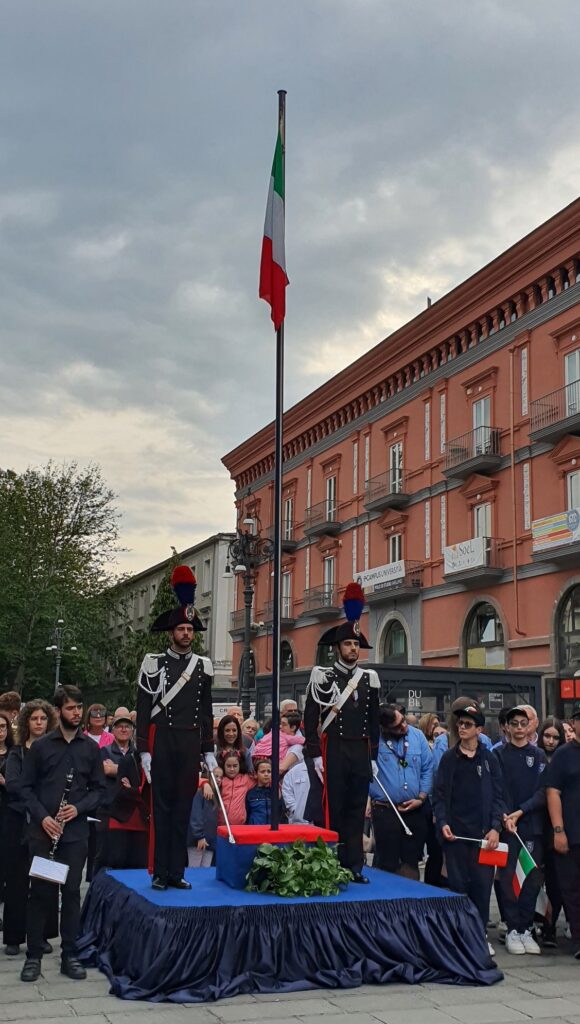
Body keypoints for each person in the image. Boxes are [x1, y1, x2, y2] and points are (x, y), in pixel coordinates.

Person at [19, 684, 106, 983]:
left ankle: (70, 953)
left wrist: (78, 809)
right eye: (70, 708)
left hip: (75, 834)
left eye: (79, 707)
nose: (77, 713)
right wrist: (43, 817)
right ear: (58, 711)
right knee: (40, 894)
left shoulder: (90, 749)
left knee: (71, 894)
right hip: (44, 833)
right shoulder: (42, 747)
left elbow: (98, 791)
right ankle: (33, 957)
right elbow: (25, 789)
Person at [136, 565, 215, 891]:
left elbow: (207, 710)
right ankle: (159, 872)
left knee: (182, 808)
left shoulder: (203, 666)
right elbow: (143, 708)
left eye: (190, 629)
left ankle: (177, 872)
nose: (186, 633)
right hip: (162, 739)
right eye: (181, 628)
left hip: (189, 741)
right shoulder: (153, 662)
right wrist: (143, 750)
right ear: (171, 632)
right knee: (163, 808)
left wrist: (208, 749)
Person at [304, 582, 380, 883]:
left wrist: (373, 756)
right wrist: (315, 755)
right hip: (333, 749)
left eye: (356, 645)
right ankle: (330, 863)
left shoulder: (369, 678)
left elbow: (373, 721)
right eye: (348, 644)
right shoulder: (322, 676)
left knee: (355, 809)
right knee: (333, 809)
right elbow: (310, 720)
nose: (353, 649)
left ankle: (354, 866)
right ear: (338, 648)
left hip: (360, 750)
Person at [432, 704, 504, 953]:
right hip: (456, 836)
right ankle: (460, 933)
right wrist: (443, 823)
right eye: (460, 723)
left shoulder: (489, 758)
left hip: (484, 836)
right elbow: (439, 796)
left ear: (479, 730)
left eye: (468, 724)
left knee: (482, 888)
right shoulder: (449, 758)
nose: (462, 728)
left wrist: (496, 828)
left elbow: (499, 797)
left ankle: (479, 933)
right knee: (458, 886)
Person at [2, 700, 58, 957]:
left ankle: (42, 935)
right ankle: (13, 936)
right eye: (34, 718)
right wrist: (33, 796)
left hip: (45, 820)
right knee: (16, 879)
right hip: (17, 820)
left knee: (44, 879)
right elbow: (13, 784)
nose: (38, 722)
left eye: (42, 718)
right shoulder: (16, 753)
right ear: (26, 722)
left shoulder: (55, 750)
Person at [495, 706, 546, 955]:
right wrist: (506, 814)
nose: (518, 728)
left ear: (529, 726)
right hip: (508, 827)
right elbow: (497, 790)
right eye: (513, 723)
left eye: (522, 723)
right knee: (508, 879)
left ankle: (526, 927)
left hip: (530, 825)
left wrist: (521, 811)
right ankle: (513, 928)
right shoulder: (499, 755)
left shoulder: (538, 756)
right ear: (507, 727)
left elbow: (542, 791)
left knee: (531, 878)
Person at [369, 704, 433, 880]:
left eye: (403, 721)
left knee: (411, 861)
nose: (404, 726)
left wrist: (421, 797)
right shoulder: (375, 740)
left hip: (414, 809)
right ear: (384, 728)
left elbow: (428, 768)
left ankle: (411, 903)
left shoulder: (417, 736)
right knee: (387, 862)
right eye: (397, 726)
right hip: (385, 809)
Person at [545, 702, 580, 958]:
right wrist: (559, 830)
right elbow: (552, 792)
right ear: (574, 723)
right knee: (571, 889)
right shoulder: (563, 754)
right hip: (571, 833)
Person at [536, 717, 566, 948]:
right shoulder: (534, 758)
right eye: (547, 735)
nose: (551, 741)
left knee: (556, 880)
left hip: (558, 824)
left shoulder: (563, 758)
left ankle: (550, 925)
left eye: (556, 737)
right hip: (536, 823)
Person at [187, 768, 221, 867]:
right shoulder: (200, 792)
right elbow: (195, 815)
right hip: (197, 840)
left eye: (221, 777)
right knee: (194, 869)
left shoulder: (216, 795)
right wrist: (199, 836)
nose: (218, 779)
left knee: (206, 870)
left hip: (209, 841)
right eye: (216, 776)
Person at [217, 751, 255, 826]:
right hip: (220, 826)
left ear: (239, 766)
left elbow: (262, 779)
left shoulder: (246, 779)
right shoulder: (220, 780)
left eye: (235, 766)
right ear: (223, 766)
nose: (232, 769)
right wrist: (205, 784)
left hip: (239, 826)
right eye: (228, 766)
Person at [246, 759, 283, 825]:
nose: (266, 774)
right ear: (256, 774)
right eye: (262, 772)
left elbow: (281, 813)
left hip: (273, 831)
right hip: (256, 831)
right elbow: (247, 814)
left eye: (269, 772)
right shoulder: (250, 794)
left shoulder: (276, 793)